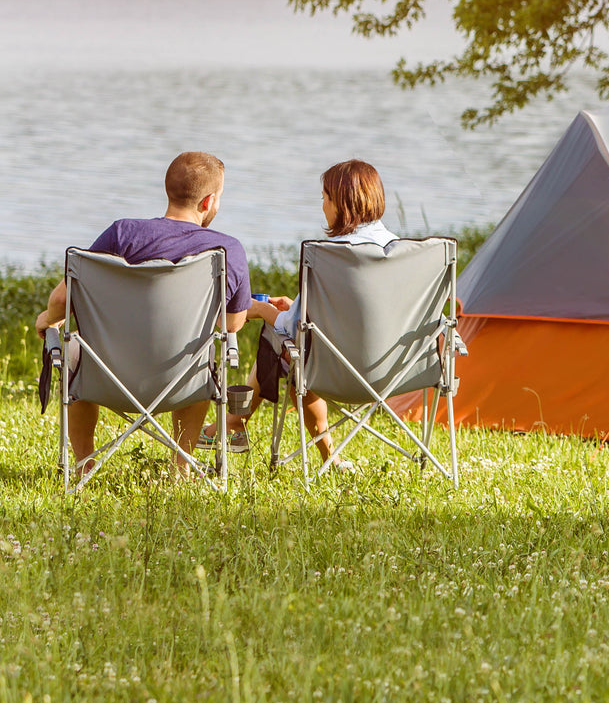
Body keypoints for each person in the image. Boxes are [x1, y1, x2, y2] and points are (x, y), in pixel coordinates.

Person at [35, 151, 261, 478]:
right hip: (182, 381)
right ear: (209, 201)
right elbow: (233, 324)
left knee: (76, 351)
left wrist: (46, 320)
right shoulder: (227, 251)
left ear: (169, 189)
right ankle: (180, 466)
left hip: (105, 377)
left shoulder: (122, 234)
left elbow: (61, 298)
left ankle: (84, 462)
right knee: (203, 350)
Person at [204, 159, 398, 471]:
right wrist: (296, 304)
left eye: (324, 198)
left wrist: (263, 310)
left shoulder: (329, 254)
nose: (322, 206)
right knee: (298, 352)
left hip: (334, 371)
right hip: (394, 370)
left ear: (340, 203)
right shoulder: (401, 252)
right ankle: (325, 456)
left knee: (285, 345)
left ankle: (231, 425)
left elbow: (294, 326)